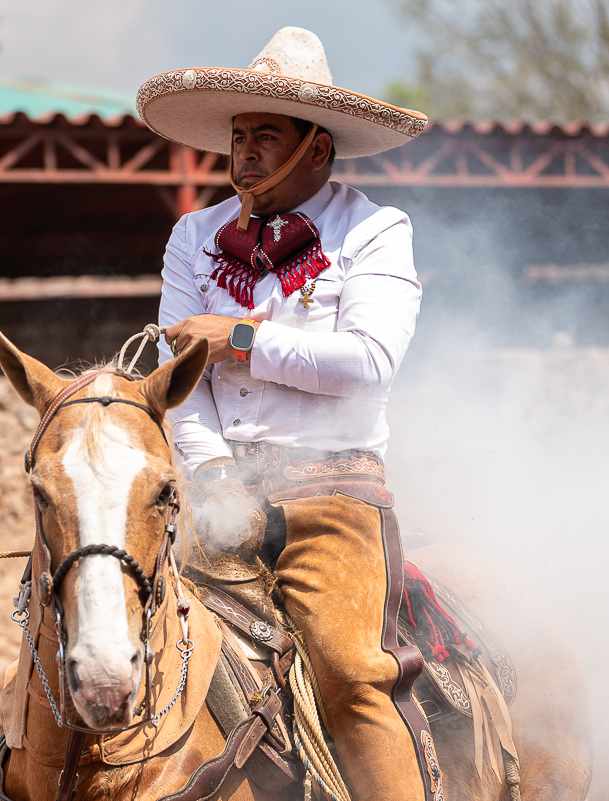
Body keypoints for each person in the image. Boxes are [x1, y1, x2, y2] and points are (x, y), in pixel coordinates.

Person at [135, 27, 441, 801]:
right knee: (121, 644)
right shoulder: (193, 236)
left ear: (318, 148)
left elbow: (369, 360)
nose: (244, 152)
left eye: (266, 135)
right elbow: (180, 382)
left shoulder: (375, 229)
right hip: (216, 492)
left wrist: (238, 335)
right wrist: (207, 475)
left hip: (332, 496)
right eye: (238, 136)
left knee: (350, 672)